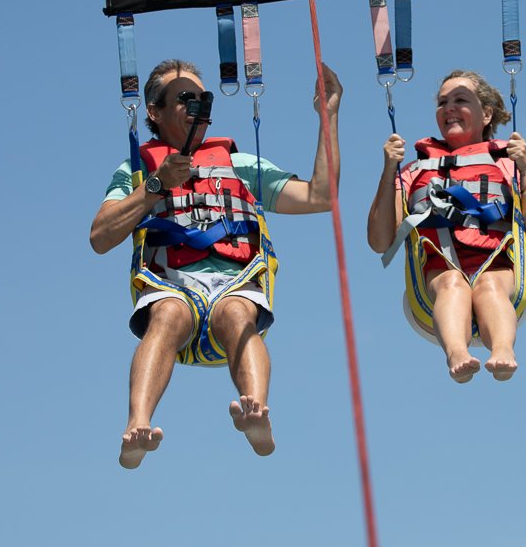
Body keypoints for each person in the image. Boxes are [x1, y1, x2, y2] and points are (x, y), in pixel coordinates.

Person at [90, 59, 342, 468]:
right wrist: (156, 186)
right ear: (154, 111)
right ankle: (138, 423)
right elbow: (100, 237)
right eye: (183, 98)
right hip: (171, 283)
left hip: (235, 280)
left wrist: (328, 116)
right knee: (168, 314)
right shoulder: (136, 171)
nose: (196, 106)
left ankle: (255, 410)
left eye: (202, 99)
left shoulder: (238, 165)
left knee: (237, 313)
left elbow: (320, 196)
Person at [367, 69, 526, 383]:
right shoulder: (414, 170)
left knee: (489, 284)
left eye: (460, 100)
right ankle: (457, 354)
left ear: (486, 114)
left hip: (496, 264)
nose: (449, 108)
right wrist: (389, 170)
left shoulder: (507, 163)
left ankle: (503, 349)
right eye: (442, 102)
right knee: (452, 283)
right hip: (438, 272)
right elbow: (379, 242)